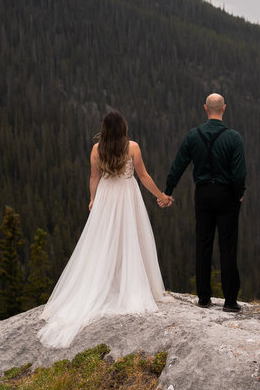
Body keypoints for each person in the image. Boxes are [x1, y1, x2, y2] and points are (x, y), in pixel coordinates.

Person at [37, 110, 172, 348]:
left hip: (107, 198)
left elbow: (94, 177)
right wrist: (161, 195)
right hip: (127, 197)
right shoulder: (133, 147)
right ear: (123, 128)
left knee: (102, 241)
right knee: (131, 238)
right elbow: (143, 175)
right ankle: (129, 285)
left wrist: (92, 199)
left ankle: (107, 283)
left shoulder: (97, 149)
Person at [164, 93, 246, 312]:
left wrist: (168, 190)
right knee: (228, 246)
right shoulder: (234, 137)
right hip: (227, 195)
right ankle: (230, 301)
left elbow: (179, 164)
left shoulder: (193, 136)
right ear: (224, 108)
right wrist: (239, 193)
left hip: (202, 194)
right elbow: (239, 173)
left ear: (205, 108)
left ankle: (203, 298)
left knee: (203, 244)